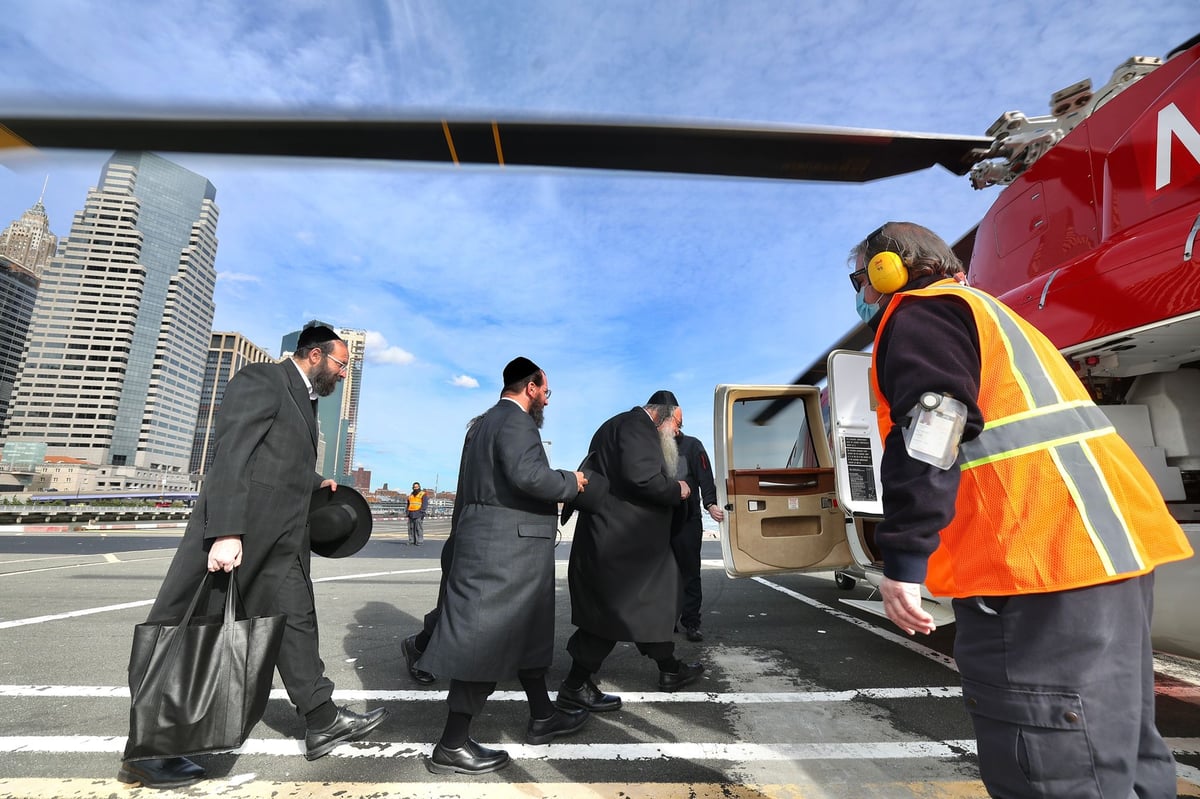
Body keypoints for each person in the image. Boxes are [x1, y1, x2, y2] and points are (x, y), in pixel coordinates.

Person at [848, 221, 1193, 798]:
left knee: (1054, 763)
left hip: (1035, 559)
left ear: (889, 270)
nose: (861, 294)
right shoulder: (997, 317)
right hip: (1106, 554)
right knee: (1121, 750)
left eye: (862, 278)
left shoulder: (921, 312)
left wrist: (904, 557)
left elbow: (935, 421)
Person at [116, 325, 388, 790]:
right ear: (316, 355)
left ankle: (322, 720)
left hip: (281, 542)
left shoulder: (306, 401)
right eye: (341, 364)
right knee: (185, 633)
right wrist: (226, 531)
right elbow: (234, 455)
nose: (344, 374)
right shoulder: (263, 379)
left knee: (297, 622)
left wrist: (314, 480)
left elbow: (276, 462)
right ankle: (146, 753)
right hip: (238, 539)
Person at [415, 357, 590, 775]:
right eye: (546, 391)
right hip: (504, 550)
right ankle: (452, 744)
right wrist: (572, 481)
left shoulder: (482, 424)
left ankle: (543, 715)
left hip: (500, 543)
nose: (547, 400)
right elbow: (530, 476)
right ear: (531, 387)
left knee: (527, 633)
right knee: (486, 642)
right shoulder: (515, 422)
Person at [557, 390, 703, 714]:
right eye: (677, 424)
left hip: (621, 542)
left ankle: (669, 669)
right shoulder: (638, 427)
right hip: (620, 544)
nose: (678, 433)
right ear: (661, 415)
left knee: (653, 604)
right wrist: (677, 488)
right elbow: (643, 479)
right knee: (613, 615)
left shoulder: (616, 425)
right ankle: (575, 685)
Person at [669, 412, 724, 642]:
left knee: (690, 572)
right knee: (664, 573)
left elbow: (705, 476)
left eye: (676, 423)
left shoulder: (693, 446)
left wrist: (710, 504)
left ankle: (691, 622)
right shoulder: (652, 445)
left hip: (688, 519)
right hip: (661, 521)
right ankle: (666, 620)